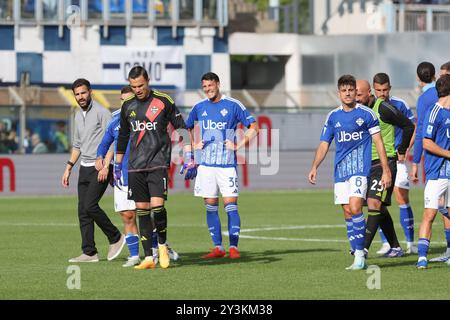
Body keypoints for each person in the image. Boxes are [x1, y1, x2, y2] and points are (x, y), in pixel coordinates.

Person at [308, 74, 392, 270]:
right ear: (339, 94)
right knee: (347, 212)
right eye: (344, 91)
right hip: (341, 171)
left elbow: (379, 143)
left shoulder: (367, 114)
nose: (347, 94)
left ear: (356, 92)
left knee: (355, 207)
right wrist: (314, 167)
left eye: (351, 90)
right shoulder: (333, 117)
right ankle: (356, 251)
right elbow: (324, 144)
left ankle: (360, 255)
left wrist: (386, 170)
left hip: (360, 170)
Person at [96, 85, 179, 267]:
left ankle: (159, 246)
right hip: (123, 176)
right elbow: (105, 143)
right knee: (127, 215)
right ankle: (135, 255)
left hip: (144, 169)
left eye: (129, 98)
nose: (127, 102)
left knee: (149, 212)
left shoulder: (146, 114)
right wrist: (101, 158)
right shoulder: (116, 120)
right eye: (123, 100)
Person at [115, 66, 187, 269]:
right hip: (135, 166)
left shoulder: (164, 100)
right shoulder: (127, 105)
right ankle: (148, 258)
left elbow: (180, 125)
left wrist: (189, 152)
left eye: (140, 85)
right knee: (142, 210)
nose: (137, 89)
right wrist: (118, 164)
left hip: (158, 162)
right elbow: (122, 137)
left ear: (148, 81)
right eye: (133, 86)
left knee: (158, 207)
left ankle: (162, 246)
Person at [183, 72, 259, 260]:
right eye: (205, 87)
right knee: (210, 206)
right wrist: (193, 147)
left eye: (210, 85)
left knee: (230, 205)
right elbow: (185, 128)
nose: (208, 89)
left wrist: (238, 145)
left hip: (226, 165)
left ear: (218, 84)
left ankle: (233, 247)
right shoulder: (199, 107)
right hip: (206, 166)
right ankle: (218, 247)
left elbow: (254, 127)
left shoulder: (233, 105)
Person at [61, 78, 125, 263]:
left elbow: (114, 138)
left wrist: (106, 164)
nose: (81, 97)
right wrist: (69, 167)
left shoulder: (101, 112)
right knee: (82, 210)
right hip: (84, 168)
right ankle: (89, 252)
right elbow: (77, 145)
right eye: (77, 94)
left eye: (83, 92)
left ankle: (115, 237)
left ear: (90, 92)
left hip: (100, 167)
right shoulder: (77, 114)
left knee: (90, 205)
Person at [355, 77, 414, 258]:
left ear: (368, 93)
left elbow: (408, 125)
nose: (355, 98)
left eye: (359, 94)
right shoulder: (358, 111)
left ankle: (362, 249)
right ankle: (395, 247)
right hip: (366, 164)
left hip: (384, 162)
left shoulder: (382, 108)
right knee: (379, 207)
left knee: (374, 203)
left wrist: (402, 149)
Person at [410, 62, 450, 262]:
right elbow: (423, 138)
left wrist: (415, 162)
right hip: (436, 168)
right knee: (433, 211)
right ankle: (422, 257)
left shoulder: (425, 99)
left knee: (442, 210)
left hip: (438, 168)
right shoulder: (433, 106)